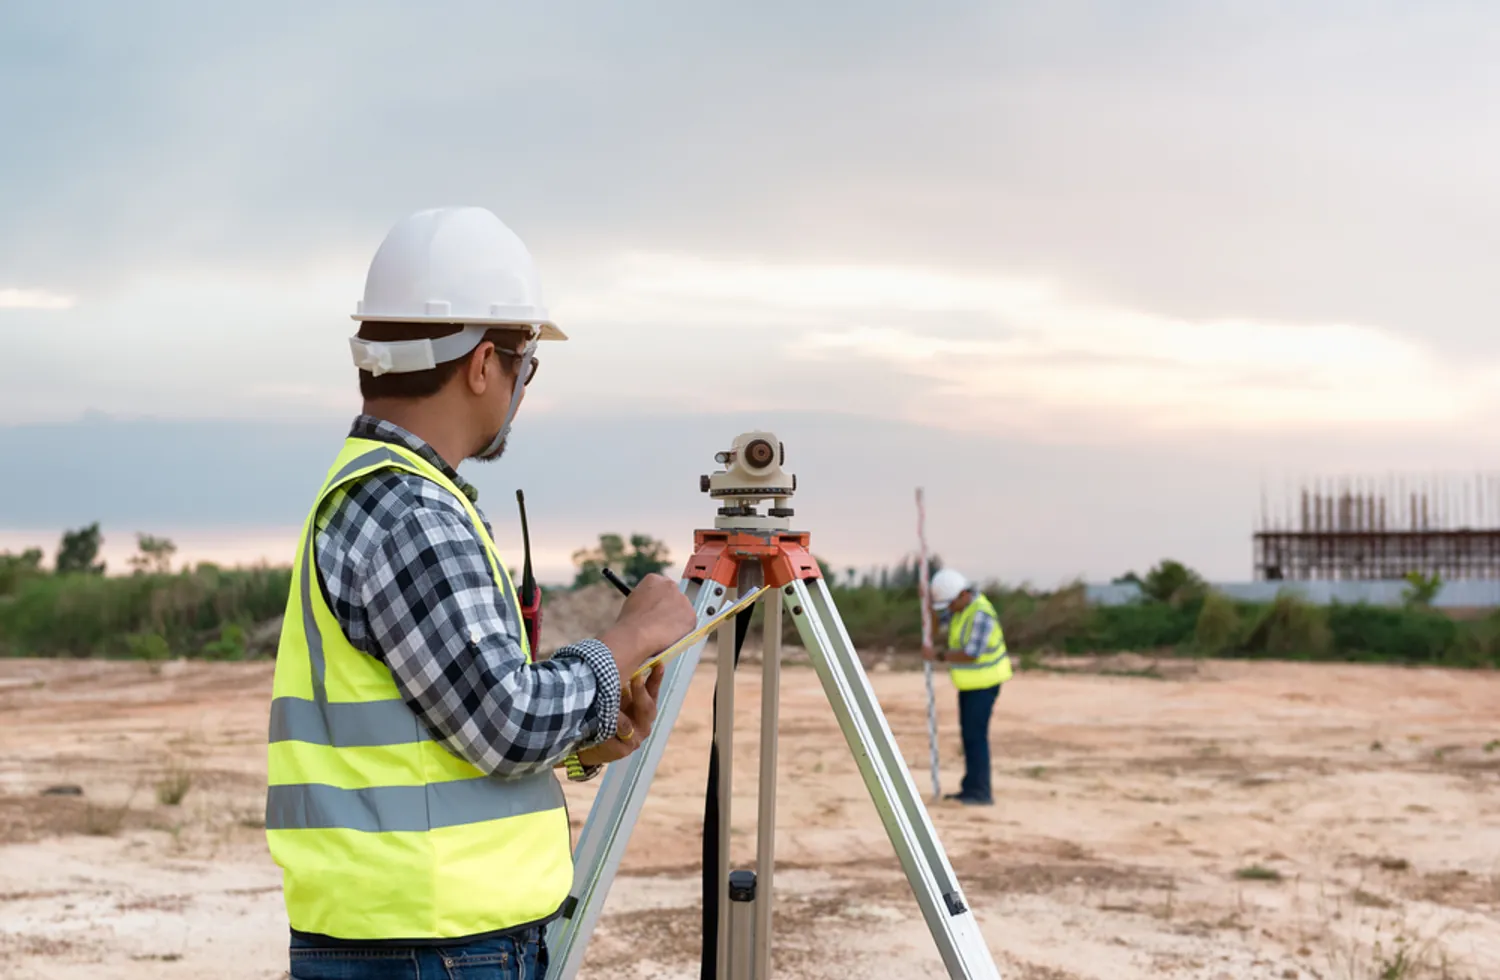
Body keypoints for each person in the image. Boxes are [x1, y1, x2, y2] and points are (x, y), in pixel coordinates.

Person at [264, 206, 697, 979]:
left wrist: (585, 738)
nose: (522, 390)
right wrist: (631, 634)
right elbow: (506, 722)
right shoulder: (410, 512)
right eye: (526, 367)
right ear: (481, 364)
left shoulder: (382, 495)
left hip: (406, 936)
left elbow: (447, 739)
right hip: (437, 947)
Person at [922, 568, 1011, 806]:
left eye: (949, 604)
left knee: (976, 737)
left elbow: (972, 653)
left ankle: (980, 791)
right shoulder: (959, 608)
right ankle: (970, 788)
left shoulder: (980, 613)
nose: (948, 610)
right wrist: (928, 606)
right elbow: (935, 627)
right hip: (970, 684)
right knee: (969, 737)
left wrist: (938, 656)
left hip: (985, 683)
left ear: (962, 595)